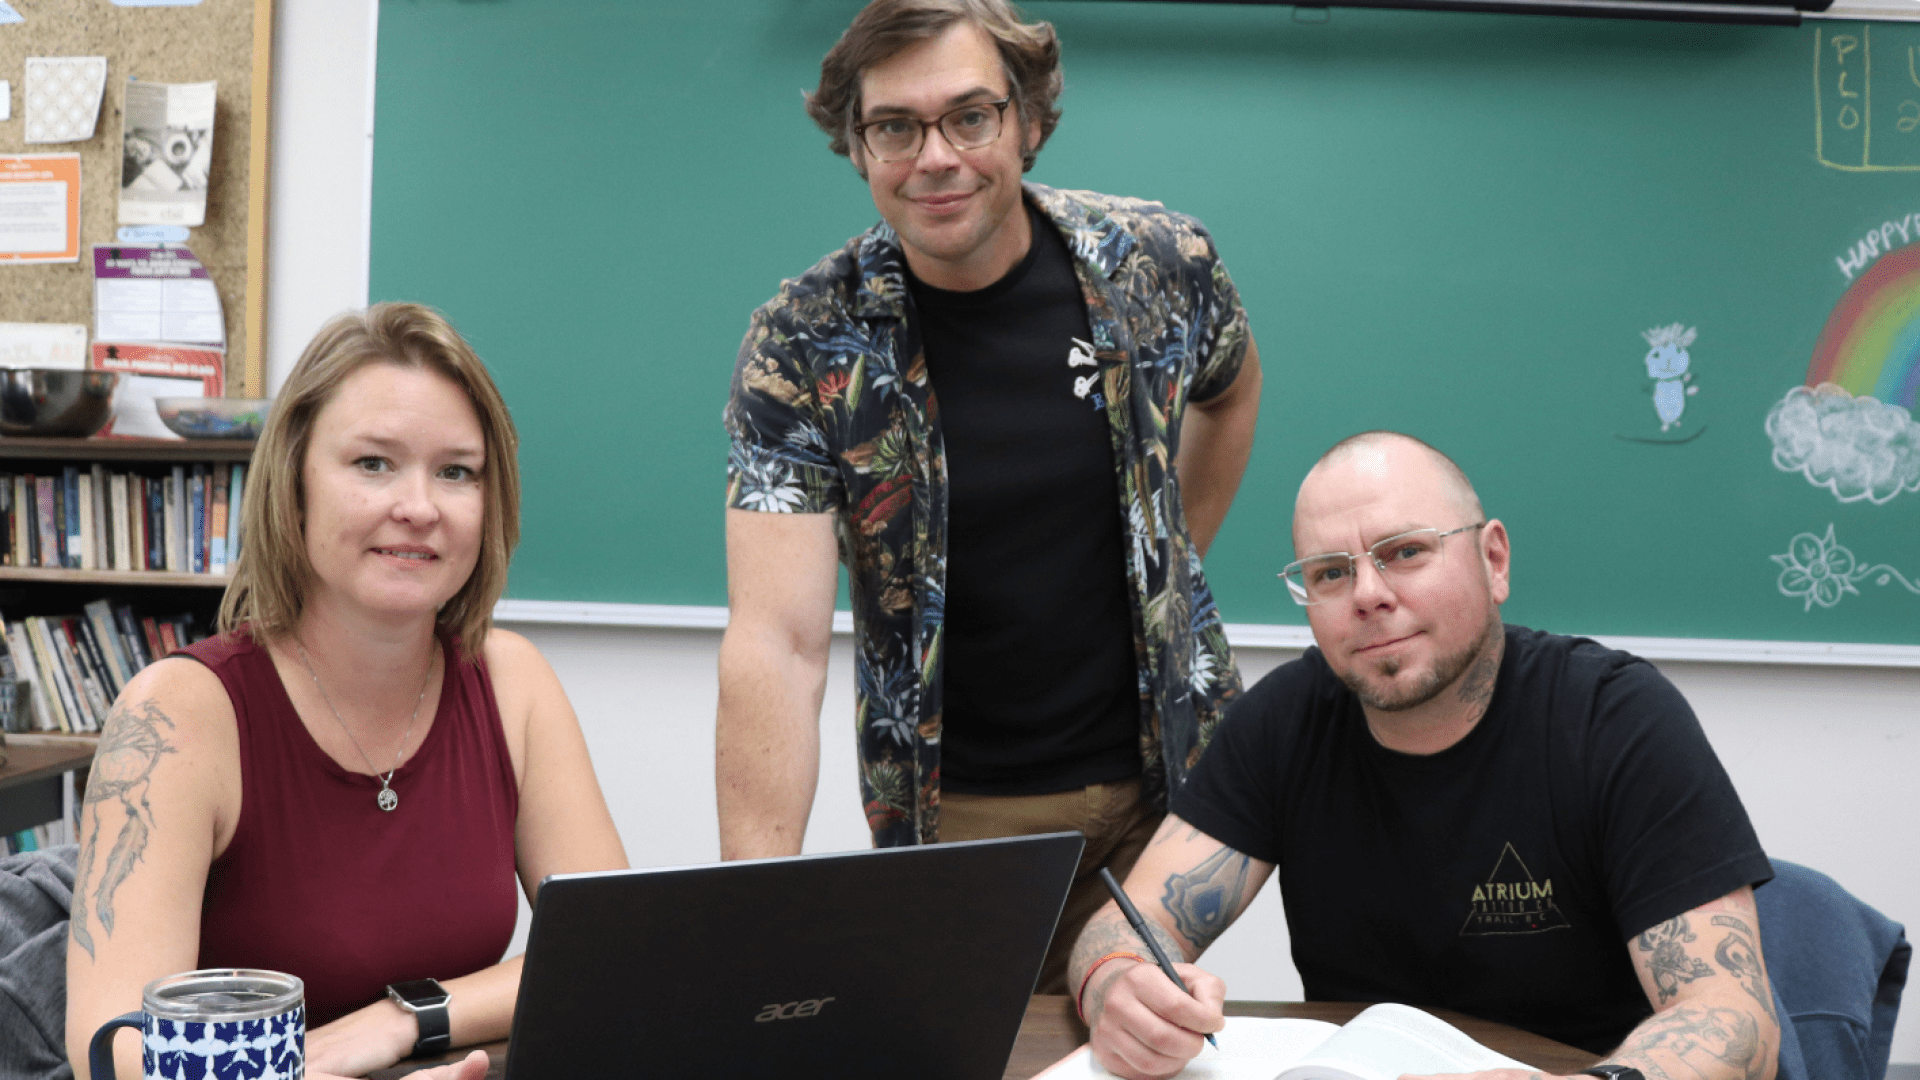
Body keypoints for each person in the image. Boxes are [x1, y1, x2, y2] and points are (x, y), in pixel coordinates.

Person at [717, 0, 1265, 992]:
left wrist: (1170, 564)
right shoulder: (803, 344)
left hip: (1174, 792)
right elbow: (778, 645)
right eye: (895, 126)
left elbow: (1228, 388)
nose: (937, 158)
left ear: (1028, 119)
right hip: (962, 817)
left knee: (1146, 1042)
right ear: (857, 146)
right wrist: (755, 911)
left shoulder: (1159, 264)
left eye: (970, 116)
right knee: (980, 1048)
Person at [1070, 431, 1781, 1080]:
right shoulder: (1284, 721)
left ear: (1492, 560)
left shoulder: (1614, 718)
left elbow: (1733, 1018)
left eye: (1405, 552)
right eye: (1330, 573)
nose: (1368, 595)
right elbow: (1129, 924)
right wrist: (1118, 986)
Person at [66, 304, 629, 1080]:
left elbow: (612, 955)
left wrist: (405, 1018)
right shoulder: (176, 713)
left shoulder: (513, 681)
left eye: (456, 472)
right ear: (294, 483)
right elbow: (112, 1047)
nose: (420, 507)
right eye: (373, 463)